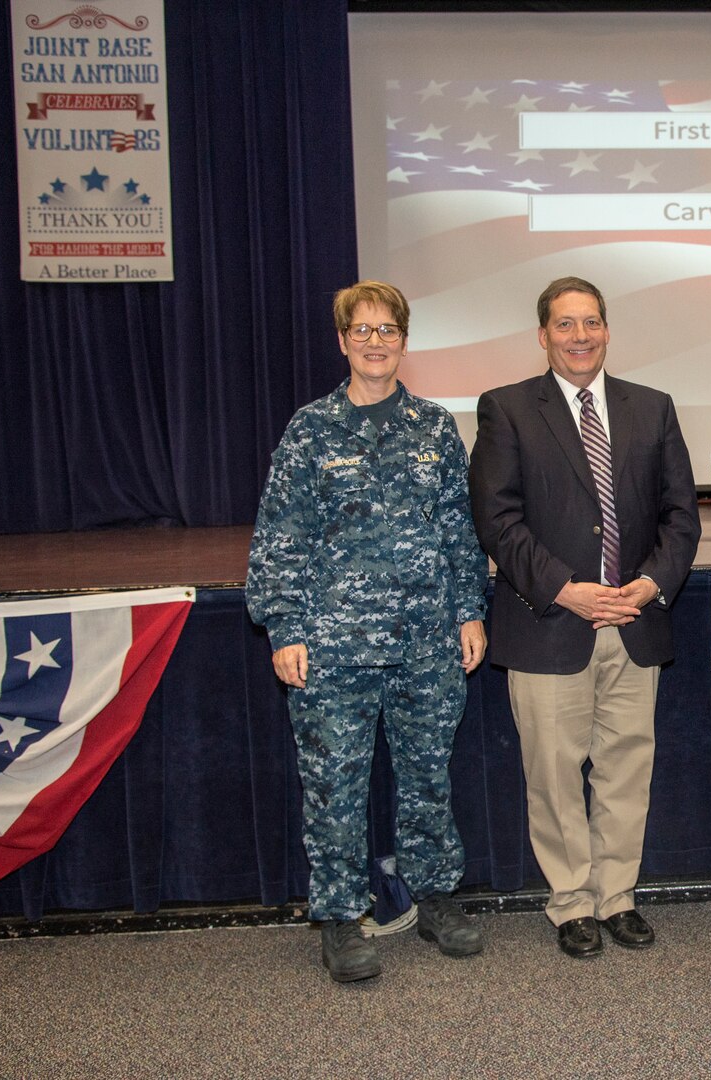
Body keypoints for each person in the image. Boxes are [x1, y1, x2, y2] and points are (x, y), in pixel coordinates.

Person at [247, 280, 490, 983]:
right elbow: (281, 535)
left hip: (425, 641)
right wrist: (286, 627)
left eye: (388, 330)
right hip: (332, 646)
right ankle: (339, 916)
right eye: (363, 330)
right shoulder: (310, 429)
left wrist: (469, 610)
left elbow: (458, 528)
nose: (375, 341)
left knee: (427, 780)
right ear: (343, 340)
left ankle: (435, 895)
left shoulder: (435, 427)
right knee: (334, 785)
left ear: (403, 340)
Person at [470, 276, 701, 959]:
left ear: (607, 329)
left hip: (633, 624)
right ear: (543, 335)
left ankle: (617, 897)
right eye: (565, 325)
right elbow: (497, 519)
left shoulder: (651, 408)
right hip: (549, 624)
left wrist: (651, 584)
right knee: (554, 774)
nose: (580, 336)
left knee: (626, 769)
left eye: (591, 323)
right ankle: (571, 902)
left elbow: (681, 517)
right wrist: (564, 589)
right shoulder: (507, 409)